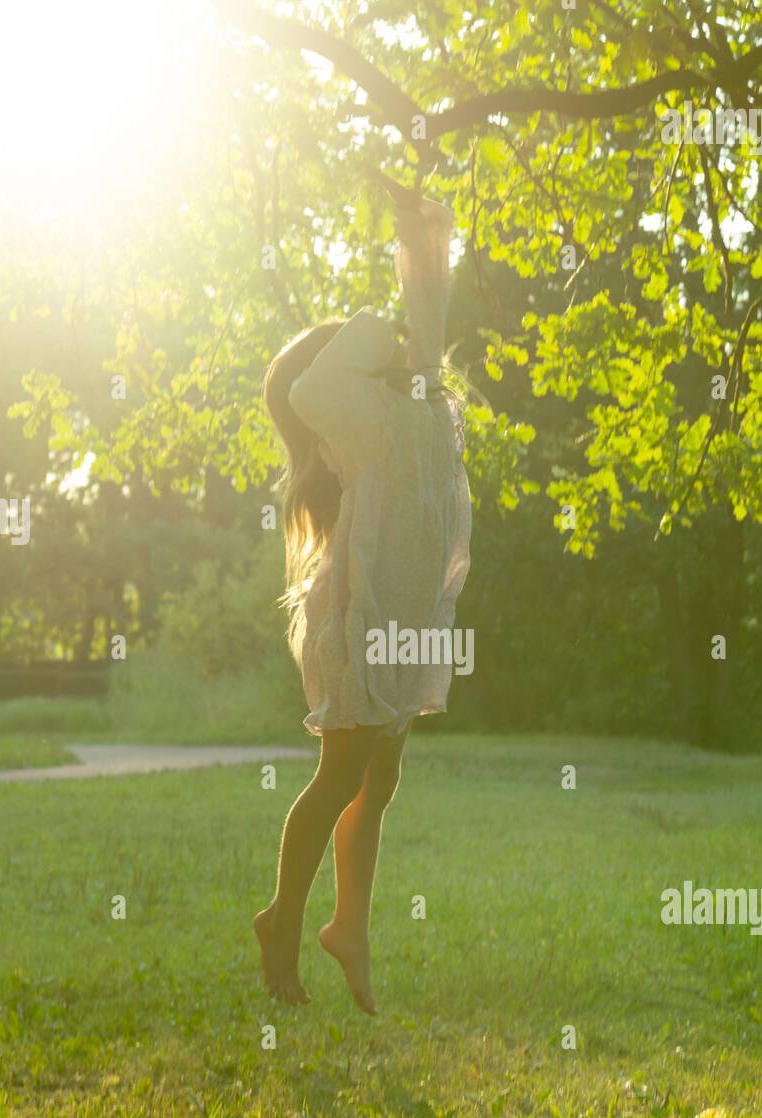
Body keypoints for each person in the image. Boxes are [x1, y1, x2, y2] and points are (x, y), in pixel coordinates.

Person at [255, 174, 471, 1014]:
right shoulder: (360, 424)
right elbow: (306, 390)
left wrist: (418, 230)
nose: (391, 339)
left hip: (409, 619)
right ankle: (282, 920)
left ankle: (350, 930)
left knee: (379, 780)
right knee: (342, 772)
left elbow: (429, 305)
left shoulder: (416, 397)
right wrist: (356, 328)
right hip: (364, 620)